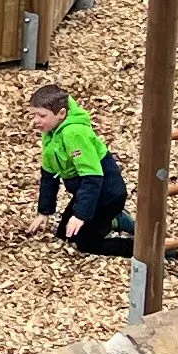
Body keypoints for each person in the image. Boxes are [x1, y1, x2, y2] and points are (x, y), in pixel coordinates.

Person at [27, 77, 129, 255]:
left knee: (86, 243)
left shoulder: (74, 133)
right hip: (86, 190)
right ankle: (112, 221)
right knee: (64, 234)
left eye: (41, 116)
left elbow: (93, 177)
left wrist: (80, 215)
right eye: (34, 115)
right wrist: (44, 211)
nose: (35, 121)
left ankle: (148, 250)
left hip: (107, 193)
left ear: (61, 114)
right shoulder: (50, 132)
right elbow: (49, 175)